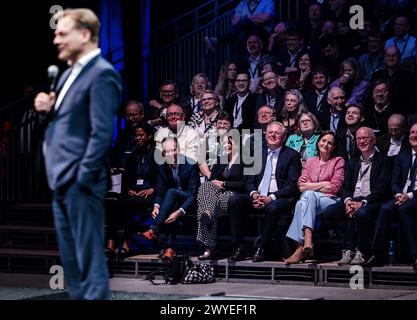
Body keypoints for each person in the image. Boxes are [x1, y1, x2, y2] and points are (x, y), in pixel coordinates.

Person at [33, 8, 122, 300]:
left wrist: (82, 177)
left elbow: (101, 133)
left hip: (80, 181)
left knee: (89, 261)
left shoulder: (102, 74)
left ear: (84, 35)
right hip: (62, 180)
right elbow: (66, 127)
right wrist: (46, 113)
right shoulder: (68, 74)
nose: (56, 39)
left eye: (62, 33)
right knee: (72, 264)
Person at [228, 121, 302, 262]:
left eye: (277, 133)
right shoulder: (257, 153)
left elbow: (291, 186)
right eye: (270, 132)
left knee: (273, 208)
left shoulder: (292, 155)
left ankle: (261, 247)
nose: (273, 135)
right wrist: (254, 194)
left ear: (284, 136)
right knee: (235, 201)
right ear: (265, 134)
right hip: (257, 195)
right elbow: (249, 180)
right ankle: (239, 247)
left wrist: (271, 198)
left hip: (279, 198)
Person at [322, 127, 392, 266]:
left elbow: (382, 189)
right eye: (359, 139)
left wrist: (363, 202)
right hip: (353, 200)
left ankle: (362, 251)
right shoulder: (352, 161)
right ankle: (348, 249)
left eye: (365, 138)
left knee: (362, 213)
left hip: (372, 201)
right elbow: (345, 187)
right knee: (330, 212)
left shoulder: (384, 160)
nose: (361, 141)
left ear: (373, 140)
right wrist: (348, 201)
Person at [285, 131, 344, 264]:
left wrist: (311, 185)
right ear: (318, 143)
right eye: (323, 141)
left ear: (333, 147)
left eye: (330, 143)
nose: (326, 144)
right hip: (310, 201)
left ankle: (302, 245)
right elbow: (300, 186)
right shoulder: (310, 161)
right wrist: (323, 184)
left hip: (329, 200)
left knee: (306, 197)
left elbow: (334, 188)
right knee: (303, 202)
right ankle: (305, 244)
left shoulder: (338, 161)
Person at [138, 137, 200, 260]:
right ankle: (169, 249)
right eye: (167, 152)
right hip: (171, 202)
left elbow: (193, 194)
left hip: (189, 200)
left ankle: (154, 229)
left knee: (172, 193)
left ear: (179, 149)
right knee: (171, 201)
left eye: (173, 150)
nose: (171, 154)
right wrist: (156, 206)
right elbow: (160, 190)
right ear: (163, 154)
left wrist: (179, 212)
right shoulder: (162, 166)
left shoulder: (191, 164)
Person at [105, 122, 156, 261]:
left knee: (122, 203)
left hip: (150, 194)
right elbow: (127, 177)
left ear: (149, 136)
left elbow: (163, 177)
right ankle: (120, 243)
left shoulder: (157, 154)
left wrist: (152, 189)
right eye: (136, 135)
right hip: (134, 193)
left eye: (141, 135)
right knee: (117, 203)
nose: (138, 138)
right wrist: (128, 189)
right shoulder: (133, 155)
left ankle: (116, 243)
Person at [196, 134, 245, 260]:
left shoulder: (244, 160)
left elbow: (245, 183)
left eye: (229, 143)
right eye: (224, 143)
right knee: (206, 187)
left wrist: (224, 183)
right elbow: (212, 180)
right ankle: (208, 212)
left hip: (234, 196)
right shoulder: (221, 160)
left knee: (206, 207)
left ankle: (209, 248)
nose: (226, 145)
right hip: (217, 197)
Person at [111, 100, 144, 171]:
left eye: (134, 115)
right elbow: (116, 154)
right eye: (128, 115)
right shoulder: (122, 134)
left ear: (142, 115)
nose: (131, 118)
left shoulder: (148, 133)